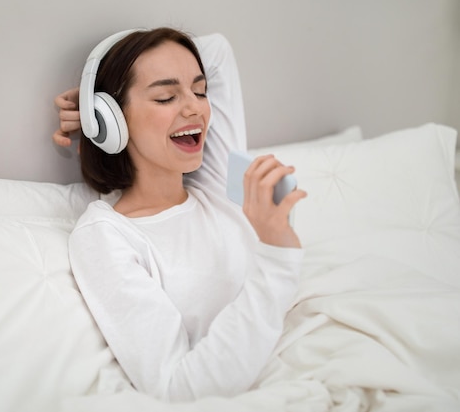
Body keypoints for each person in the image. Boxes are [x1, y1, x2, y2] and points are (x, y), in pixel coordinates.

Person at [52, 27, 307, 402]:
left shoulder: (218, 180)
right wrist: (277, 258)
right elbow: (177, 387)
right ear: (116, 121)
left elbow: (216, 51)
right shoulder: (106, 235)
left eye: (200, 91)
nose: (196, 108)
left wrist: (95, 100)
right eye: (166, 96)